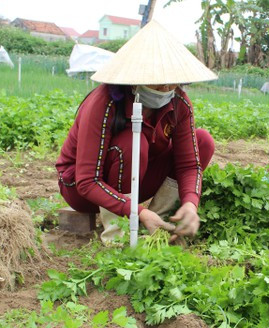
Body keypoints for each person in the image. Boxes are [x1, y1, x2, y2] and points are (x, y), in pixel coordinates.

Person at [56, 21, 217, 242]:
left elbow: (189, 164)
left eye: (173, 83)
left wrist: (190, 202)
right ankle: (118, 236)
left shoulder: (178, 102)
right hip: (83, 190)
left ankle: (159, 224)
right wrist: (137, 211)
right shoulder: (105, 103)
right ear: (136, 78)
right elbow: (87, 181)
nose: (167, 89)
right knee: (133, 144)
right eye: (159, 84)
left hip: (134, 183)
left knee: (203, 141)